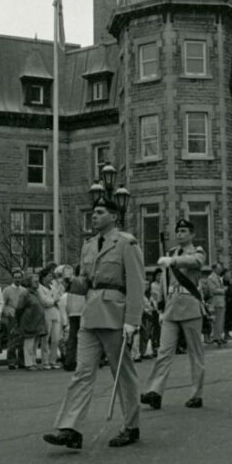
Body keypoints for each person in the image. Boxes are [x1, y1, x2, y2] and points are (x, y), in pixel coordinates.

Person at [43, 192, 145, 450]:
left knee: (122, 373)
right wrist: (68, 281)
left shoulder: (126, 243)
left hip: (115, 313)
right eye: (94, 213)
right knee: (82, 372)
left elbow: (135, 283)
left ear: (114, 216)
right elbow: (86, 283)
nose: (95, 217)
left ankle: (131, 426)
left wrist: (133, 319)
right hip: (91, 313)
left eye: (100, 213)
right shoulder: (89, 246)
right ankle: (70, 427)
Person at [140, 217, 207, 411]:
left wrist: (173, 261)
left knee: (195, 354)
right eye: (178, 231)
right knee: (163, 352)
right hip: (171, 307)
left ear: (192, 234)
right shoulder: (170, 253)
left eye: (184, 231)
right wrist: (161, 304)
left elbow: (195, 262)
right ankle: (155, 392)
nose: (180, 234)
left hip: (190, 306)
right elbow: (164, 281)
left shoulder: (197, 252)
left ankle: (196, 394)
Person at [15, 274, 47, 369]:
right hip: (29, 321)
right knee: (29, 343)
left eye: (38, 281)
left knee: (35, 343)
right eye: (35, 282)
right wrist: (19, 322)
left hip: (37, 322)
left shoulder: (36, 293)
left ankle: (33, 362)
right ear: (29, 283)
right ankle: (28, 363)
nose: (38, 283)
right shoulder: (25, 294)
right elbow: (19, 308)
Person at [2, 267, 26, 369]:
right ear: (13, 278)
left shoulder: (24, 290)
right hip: (11, 316)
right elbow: (3, 303)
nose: (17, 279)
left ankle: (21, 361)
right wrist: (7, 312)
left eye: (19, 277)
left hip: (22, 316)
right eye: (16, 277)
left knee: (22, 339)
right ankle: (11, 362)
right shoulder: (7, 290)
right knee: (12, 339)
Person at [206, 263, 227, 345]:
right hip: (216, 301)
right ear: (214, 269)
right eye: (219, 268)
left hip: (221, 301)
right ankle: (216, 337)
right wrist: (223, 290)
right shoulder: (211, 278)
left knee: (221, 320)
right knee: (217, 320)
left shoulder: (219, 277)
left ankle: (219, 336)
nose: (221, 270)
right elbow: (213, 290)